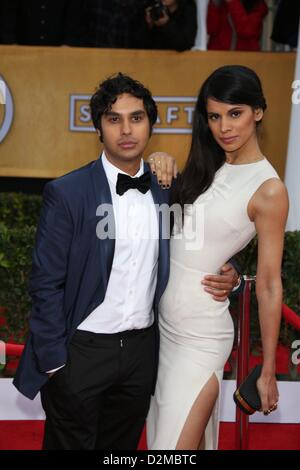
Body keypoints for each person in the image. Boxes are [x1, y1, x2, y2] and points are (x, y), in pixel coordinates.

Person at [13, 73, 240, 450]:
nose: (126, 129)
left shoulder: (169, 190)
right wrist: (55, 363)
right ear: (99, 128)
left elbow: (199, 246)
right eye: (113, 119)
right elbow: (45, 282)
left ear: (150, 124)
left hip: (140, 355)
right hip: (80, 353)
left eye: (136, 117)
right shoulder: (67, 192)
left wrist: (228, 272)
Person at [146, 65, 289, 450]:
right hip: (159, 332)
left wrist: (269, 370)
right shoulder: (205, 167)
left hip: (200, 338)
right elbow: (179, 238)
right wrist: (158, 160)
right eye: (214, 116)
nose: (224, 126)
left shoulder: (269, 188)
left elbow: (271, 283)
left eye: (235, 113)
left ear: (258, 111)